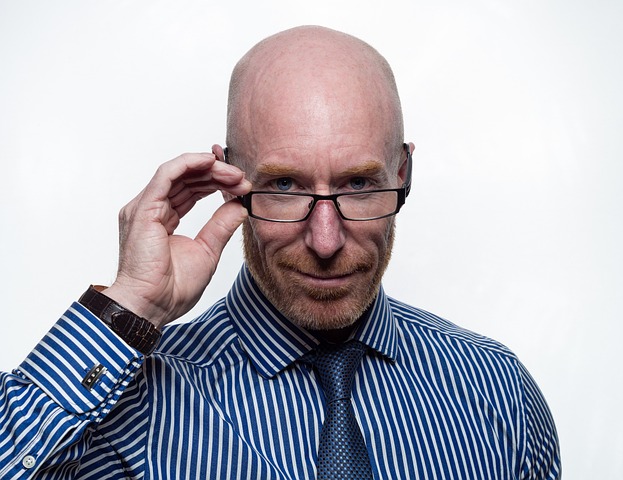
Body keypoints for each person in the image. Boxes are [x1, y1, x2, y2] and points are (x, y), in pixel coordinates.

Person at [0, 26, 561, 479]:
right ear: (227, 179)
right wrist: (129, 306)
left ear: (403, 173)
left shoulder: (497, 391)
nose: (325, 240)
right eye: (285, 186)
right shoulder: (124, 407)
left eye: (359, 185)